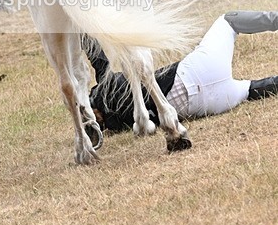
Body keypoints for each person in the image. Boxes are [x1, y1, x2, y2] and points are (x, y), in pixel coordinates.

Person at [87, 11, 278, 138]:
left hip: (210, 103)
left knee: (249, 90)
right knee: (228, 20)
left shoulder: (121, 124)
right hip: (196, 72)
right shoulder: (106, 91)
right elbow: (99, 60)